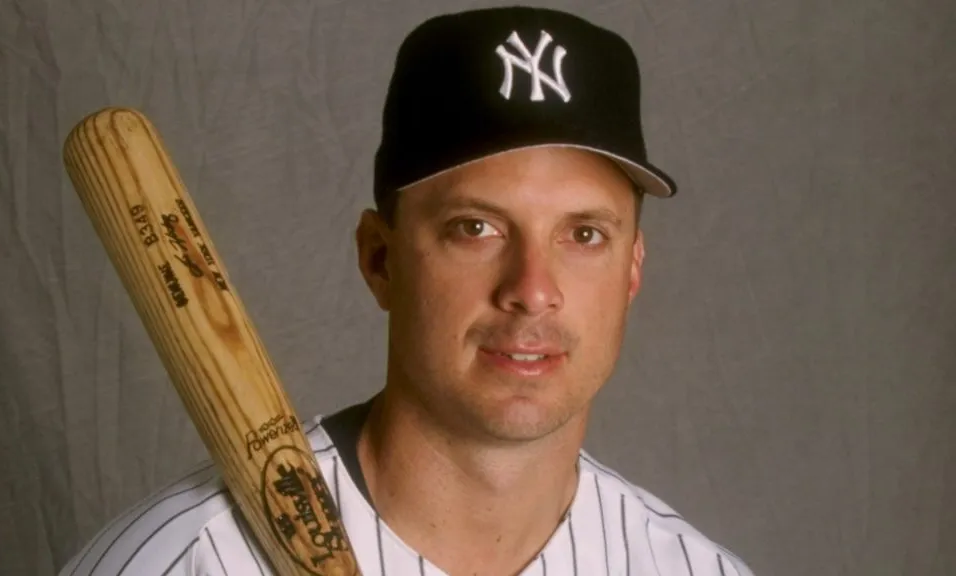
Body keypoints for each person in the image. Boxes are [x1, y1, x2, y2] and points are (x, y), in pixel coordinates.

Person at [60, 6, 755, 576]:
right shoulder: (175, 564)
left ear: (632, 268)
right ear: (380, 259)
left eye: (583, 236)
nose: (532, 290)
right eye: (475, 227)